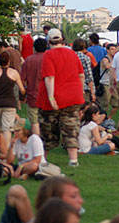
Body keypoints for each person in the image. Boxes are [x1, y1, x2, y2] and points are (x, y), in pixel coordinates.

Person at [37, 28, 85, 167]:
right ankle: (73, 160)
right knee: (71, 128)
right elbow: (81, 75)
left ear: (48, 41)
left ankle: (43, 159)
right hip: (73, 98)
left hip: (54, 98)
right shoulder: (72, 54)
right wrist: (79, 92)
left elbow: (50, 77)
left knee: (48, 129)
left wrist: (51, 97)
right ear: (62, 39)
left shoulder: (48, 55)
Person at [21, 38, 47, 135]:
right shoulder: (48, 59)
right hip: (47, 96)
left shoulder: (28, 60)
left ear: (34, 48)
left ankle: (36, 141)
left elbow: (22, 79)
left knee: (34, 122)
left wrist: (23, 94)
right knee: (46, 121)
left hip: (33, 96)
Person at [97, 43, 118, 116]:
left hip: (112, 84)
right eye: (112, 49)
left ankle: (108, 118)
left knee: (116, 104)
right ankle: (102, 119)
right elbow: (107, 66)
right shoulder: (105, 59)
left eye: (115, 49)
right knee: (104, 105)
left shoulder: (113, 59)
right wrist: (114, 60)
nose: (114, 51)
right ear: (107, 50)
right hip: (105, 84)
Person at [72, 38, 95, 103]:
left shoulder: (69, 56)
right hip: (83, 87)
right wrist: (92, 93)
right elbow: (89, 76)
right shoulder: (85, 58)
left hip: (71, 87)